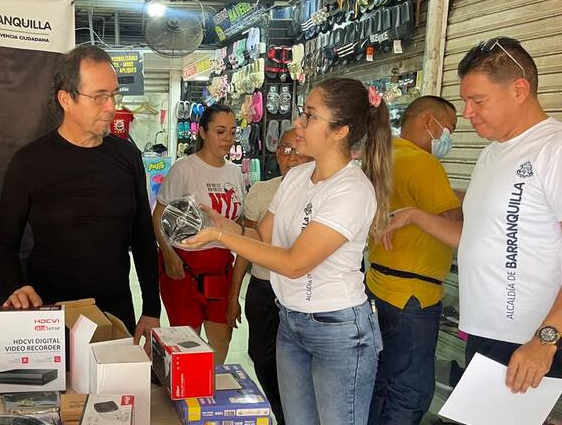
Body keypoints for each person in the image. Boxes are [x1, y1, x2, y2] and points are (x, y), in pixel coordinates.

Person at [183, 78, 391, 425]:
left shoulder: (352, 190)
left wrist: (221, 234)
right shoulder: (298, 177)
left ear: (340, 131)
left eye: (310, 116)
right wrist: (218, 224)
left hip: (338, 330)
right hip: (291, 321)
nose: (298, 123)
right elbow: (261, 237)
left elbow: (294, 263)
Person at [382, 37, 562, 394]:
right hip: (489, 332)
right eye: (466, 100)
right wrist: (416, 215)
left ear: (519, 89)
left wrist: (546, 338)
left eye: (478, 100)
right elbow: (477, 238)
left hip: (533, 341)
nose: (467, 113)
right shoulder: (492, 154)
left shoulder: (553, 149)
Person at [0, 45, 160, 343]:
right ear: (66, 99)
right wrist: (16, 286)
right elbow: (4, 242)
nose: (111, 107)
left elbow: (143, 237)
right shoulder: (30, 161)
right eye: (99, 97)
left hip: (115, 313)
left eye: (114, 95)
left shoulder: (127, 157)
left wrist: (151, 308)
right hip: (50, 315)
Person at [365, 96, 461, 425]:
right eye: (449, 128)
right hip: (413, 297)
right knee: (410, 389)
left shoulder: (382, 155)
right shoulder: (424, 163)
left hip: (378, 284)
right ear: (427, 122)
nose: (449, 137)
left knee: (379, 382)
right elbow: (455, 224)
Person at [227, 127, 311, 425]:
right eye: (286, 150)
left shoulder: (324, 191)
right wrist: (233, 295)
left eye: (299, 151)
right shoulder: (263, 191)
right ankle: (281, 411)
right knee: (261, 358)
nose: (293, 158)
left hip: (301, 292)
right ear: (278, 154)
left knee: (296, 364)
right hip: (263, 288)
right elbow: (249, 244)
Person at [151, 104, 246, 364]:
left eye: (232, 132)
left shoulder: (235, 173)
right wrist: (169, 255)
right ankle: (185, 400)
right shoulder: (185, 169)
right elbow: (158, 217)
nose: (228, 138)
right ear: (203, 132)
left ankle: (211, 401)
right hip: (184, 270)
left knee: (220, 343)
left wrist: (235, 292)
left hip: (221, 271)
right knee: (185, 347)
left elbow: (240, 227)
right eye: (220, 131)